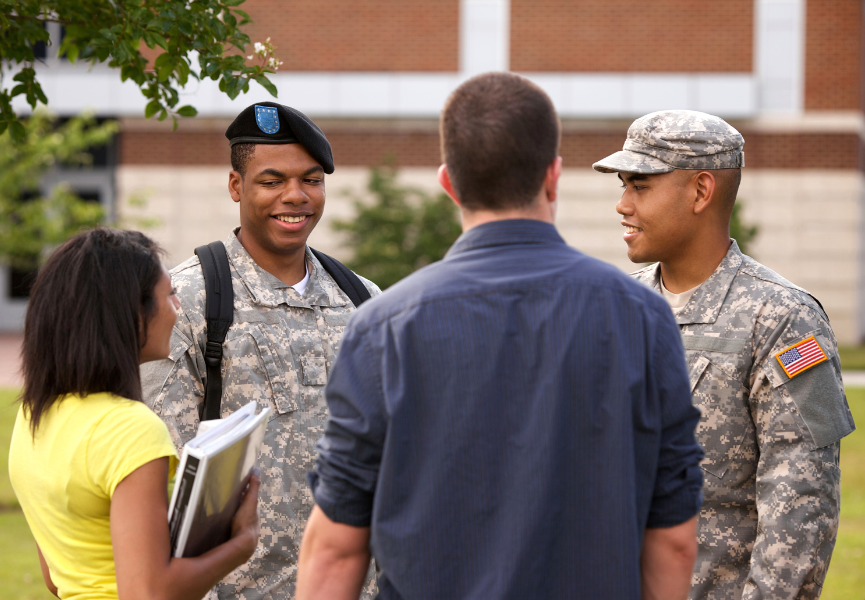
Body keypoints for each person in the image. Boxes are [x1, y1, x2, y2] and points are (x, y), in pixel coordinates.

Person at [295, 72, 705, 600]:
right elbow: (673, 540)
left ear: (449, 183)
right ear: (553, 176)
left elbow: (336, 547)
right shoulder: (643, 318)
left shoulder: (384, 326)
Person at [593, 109, 857, 599]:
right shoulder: (617, 309)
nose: (623, 205)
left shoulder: (782, 318)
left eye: (641, 186)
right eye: (622, 187)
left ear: (701, 190)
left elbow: (801, 509)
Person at [140, 101, 380, 599]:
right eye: (272, 181)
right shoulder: (189, 302)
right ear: (236, 186)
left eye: (311, 180)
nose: (295, 196)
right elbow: (159, 474)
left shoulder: (365, 301)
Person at [8, 228, 261, 600]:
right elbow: (149, 593)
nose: (178, 309)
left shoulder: (35, 413)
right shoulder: (130, 429)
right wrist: (242, 543)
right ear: (130, 314)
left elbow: (55, 577)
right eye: (171, 295)